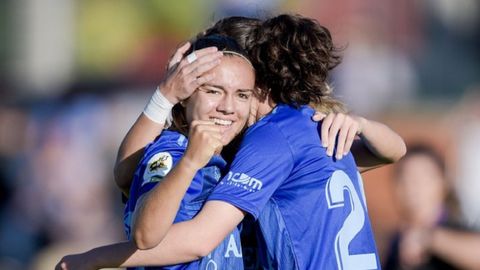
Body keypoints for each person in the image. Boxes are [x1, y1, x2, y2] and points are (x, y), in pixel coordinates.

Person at [57, 14, 406, 269]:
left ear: (255, 82)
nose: (227, 105)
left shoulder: (269, 141)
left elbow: (196, 238)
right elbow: (392, 151)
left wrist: (94, 258)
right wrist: (165, 95)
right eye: (213, 88)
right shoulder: (308, 127)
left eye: (239, 91)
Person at [384, 144, 480, 270]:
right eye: (405, 178)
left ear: (443, 182)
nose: (412, 187)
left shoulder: (458, 230)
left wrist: (428, 239)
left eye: (421, 178)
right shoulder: (394, 242)